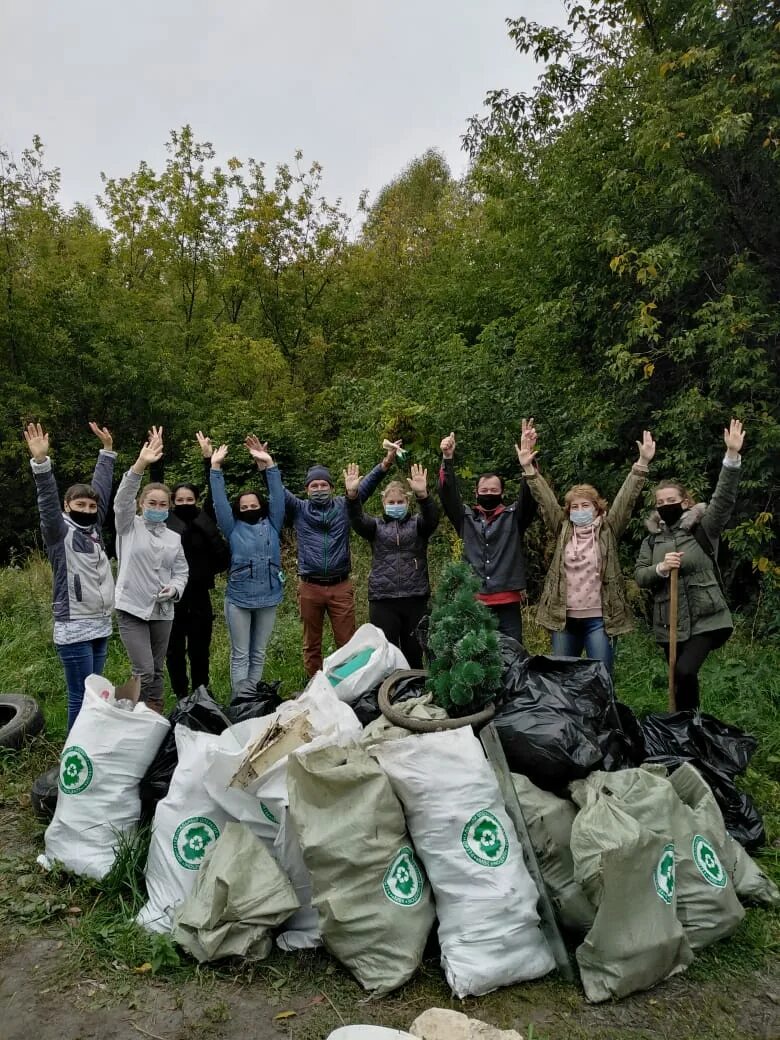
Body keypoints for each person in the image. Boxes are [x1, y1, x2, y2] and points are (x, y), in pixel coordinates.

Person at [517, 421, 656, 672]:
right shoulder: (563, 529)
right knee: (563, 680)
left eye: (586, 506)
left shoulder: (608, 529)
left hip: (599, 620)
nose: (580, 511)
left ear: (597, 508)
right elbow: (545, 498)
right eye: (575, 507)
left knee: (600, 678)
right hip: (564, 619)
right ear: (568, 511)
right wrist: (528, 467)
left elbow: (627, 499)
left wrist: (642, 464)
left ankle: (602, 712)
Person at [635, 418, 745, 711]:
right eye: (660, 502)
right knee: (680, 679)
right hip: (669, 622)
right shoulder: (651, 541)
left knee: (684, 671)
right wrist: (660, 569)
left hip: (707, 618)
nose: (665, 505)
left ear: (685, 502)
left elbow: (723, 500)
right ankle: (687, 731)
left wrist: (731, 457)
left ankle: (688, 731)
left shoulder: (702, 528)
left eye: (671, 499)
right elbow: (640, 576)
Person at [268, 437, 401, 677]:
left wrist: (385, 463)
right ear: (307, 489)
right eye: (314, 486)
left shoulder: (343, 506)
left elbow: (366, 486)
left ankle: (347, 686)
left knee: (348, 643)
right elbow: (276, 489)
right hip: (310, 586)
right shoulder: (298, 509)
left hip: (341, 585)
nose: (319, 489)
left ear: (331, 487)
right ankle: (315, 687)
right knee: (311, 644)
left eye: (323, 485)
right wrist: (267, 465)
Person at [24, 421, 117, 731]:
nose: (88, 509)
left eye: (91, 506)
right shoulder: (58, 532)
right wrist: (41, 463)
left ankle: (88, 746)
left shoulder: (93, 531)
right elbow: (47, 502)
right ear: (67, 506)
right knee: (81, 695)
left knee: (95, 694)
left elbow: (101, 489)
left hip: (101, 622)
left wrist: (106, 453)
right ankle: (73, 754)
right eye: (80, 504)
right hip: (74, 625)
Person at [148, 431, 230, 698]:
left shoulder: (205, 518)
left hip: (200, 596)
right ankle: (182, 695)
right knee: (173, 650)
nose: (184, 504)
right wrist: (156, 460)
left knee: (199, 648)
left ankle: (202, 692)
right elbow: (156, 487)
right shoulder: (166, 521)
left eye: (189, 500)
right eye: (179, 500)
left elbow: (215, 492)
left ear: (196, 501)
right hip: (172, 597)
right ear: (173, 503)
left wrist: (209, 460)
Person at [438, 426, 537, 642]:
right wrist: (447, 458)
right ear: (476, 493)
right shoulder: (465, 518)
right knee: (476, 657)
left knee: (513, 658)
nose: (489, 494)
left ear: (502, 493)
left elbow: (530, 498)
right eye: (484, 491)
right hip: (474, 602)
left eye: (494, 491)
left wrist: (528, 465)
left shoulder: (514, 517)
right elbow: (447, 495)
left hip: (507, 602)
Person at [114, 427, 189, 711]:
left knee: (157, 669)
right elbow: (121, 500)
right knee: (143, 669)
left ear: (169, 507)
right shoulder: (128, 526)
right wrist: (140, 465)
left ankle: (153, 715)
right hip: (132, 607)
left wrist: (175, 588)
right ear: (141, 504)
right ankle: (133, 713)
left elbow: (182, 571)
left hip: (162, 610)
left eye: (162, 504)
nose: (157, 507)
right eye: (151, 503)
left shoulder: (174, 537)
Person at [209, 437, 284, 694]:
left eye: (254, 505)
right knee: (240, 654)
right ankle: (239, 700)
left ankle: (252, 697)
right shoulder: (232, 528)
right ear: (238, 510)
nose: (250, 508)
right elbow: (219, 502)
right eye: (245, 506)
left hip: (269, 596)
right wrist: (215, 468)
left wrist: (269, 464)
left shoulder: (273, 523)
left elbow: (277, 496)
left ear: (261, 507)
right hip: (239, 598)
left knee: (259, 652)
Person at [346, 462, 440, 667]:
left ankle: (415, 693)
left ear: (407, 502)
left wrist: (423, 495)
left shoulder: (418, 524)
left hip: (415, 597)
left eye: (400, 501)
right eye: (391, 501)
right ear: (383, 503)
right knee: (386, 655)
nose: (395, 505)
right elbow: (356, 520)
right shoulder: (375, 526)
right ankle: (388, 694)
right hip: (383, 599)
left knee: (414, 653)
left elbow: (432, 519)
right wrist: (352, 497)